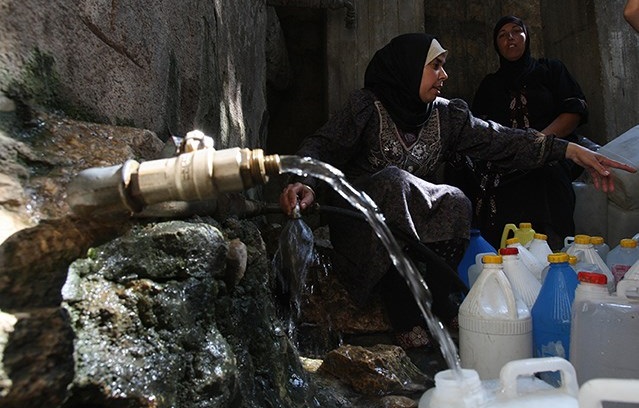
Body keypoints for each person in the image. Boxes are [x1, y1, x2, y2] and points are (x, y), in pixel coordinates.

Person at [278, 33, 634, 349]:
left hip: (409, 218)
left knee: (455, 199)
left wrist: (568, 150)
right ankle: (401, 304)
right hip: (362, 226)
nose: (444, 76)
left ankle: (441, 299)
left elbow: (501, 140)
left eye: (443, 66)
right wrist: (302, 182)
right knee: (394, 180)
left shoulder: (446, 116)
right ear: (408, 68)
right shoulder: (366, 108)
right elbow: (319, 146)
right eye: (435, 66)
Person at [447, 16, 592, 250]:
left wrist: (538, 145)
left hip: (553, 151)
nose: (510, 38)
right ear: (496, 45)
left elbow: (573, 113)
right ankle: (500, 251)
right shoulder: (490, 84)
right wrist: (512, 151)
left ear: (527, 36)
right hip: (503, 156)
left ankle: (553, 248)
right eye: (502, 35)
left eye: (516, 31)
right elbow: (478, 130)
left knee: (544, 174)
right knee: (485, 179)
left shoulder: (551, 70)